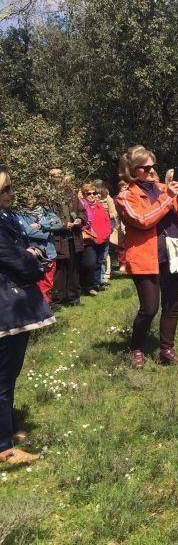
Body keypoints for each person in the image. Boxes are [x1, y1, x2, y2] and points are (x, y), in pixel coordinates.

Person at [116, 146, 178, 369]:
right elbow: (142, 219)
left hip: (172, 255)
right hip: (144, 258)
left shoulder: (163, 188)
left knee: (172, 304)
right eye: (146, 168)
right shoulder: (125, 197)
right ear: (132, 171)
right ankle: (137, 347)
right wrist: (168, 198)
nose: (152, 171)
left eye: (153, 166)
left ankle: (166, 349)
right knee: (149, 307)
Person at [0, 166, 56, 465]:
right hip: (5, 303)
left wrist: (32, 252)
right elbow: (13, 258)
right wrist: (33, 262)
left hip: (13, 299)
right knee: (2, 375)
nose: (11, 194)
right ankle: (3, 446)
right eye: (5, 189)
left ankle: (7, 426)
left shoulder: (7, 217)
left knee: (10, 372)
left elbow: (24, 245)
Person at [49, 168, 88, 307]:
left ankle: (73, 298)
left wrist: (79, 219)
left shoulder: (71, 194)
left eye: (59, 175)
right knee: (60, 269)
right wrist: (64, 224)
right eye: (54, 176)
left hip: (74, 237)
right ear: (50, 178)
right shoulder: (47, 196)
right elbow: (47, 218)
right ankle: (57, 299)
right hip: (57, 238)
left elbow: (82, 211)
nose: (57, 178)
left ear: (63, 176)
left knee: (74, 268)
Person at [18, 201, 61, 305]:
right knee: (38, 286)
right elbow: (28, 231)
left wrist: (40, 225)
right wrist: (49, 230)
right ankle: (42, 311)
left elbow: (58, 223)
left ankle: (47, 309)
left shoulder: (45, 209)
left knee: (48, 284)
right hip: (37, 254)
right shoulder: (19, 213)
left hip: (50, 252)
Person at [79, 183, 112, 295]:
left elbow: (107, 221)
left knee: (99, 262)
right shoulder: (83, 207)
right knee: (90, 263)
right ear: (84, 195)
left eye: (94, 193)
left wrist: (107, 234)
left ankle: (96, 284)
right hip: (89, 240)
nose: (92, 195)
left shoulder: (99, 206)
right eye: (89, 193)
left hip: (103, 239)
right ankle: (87, 285)